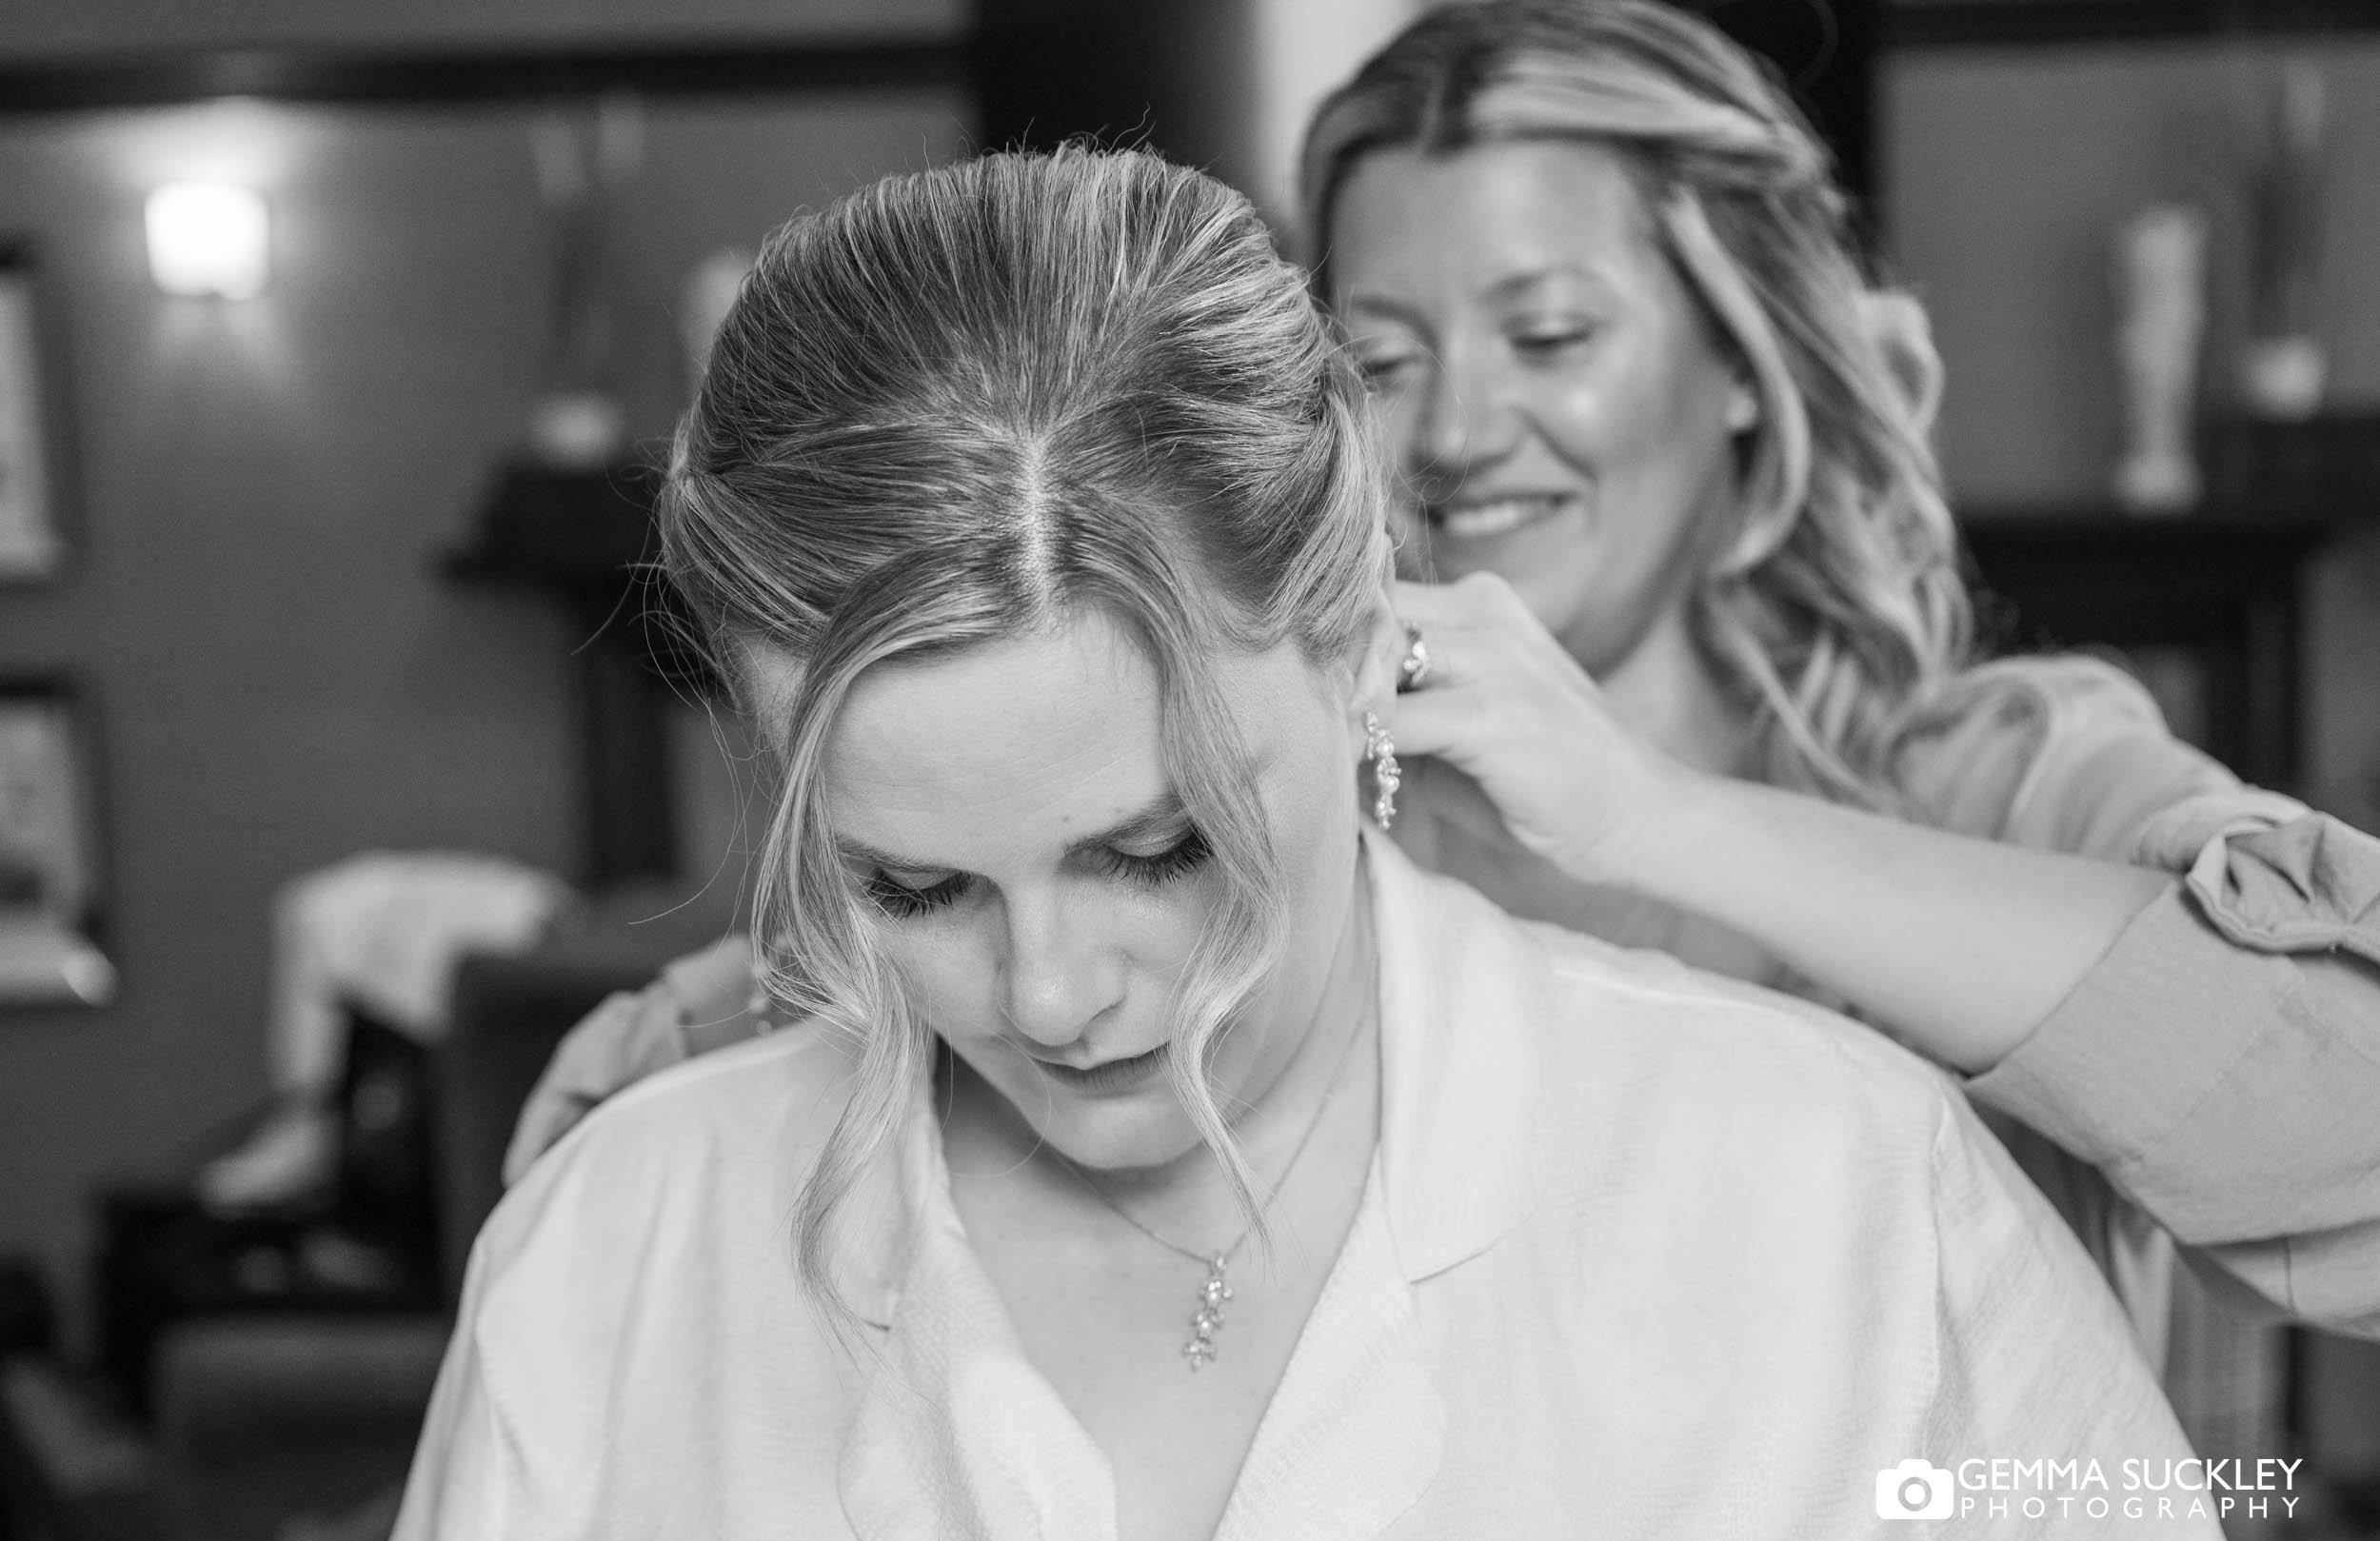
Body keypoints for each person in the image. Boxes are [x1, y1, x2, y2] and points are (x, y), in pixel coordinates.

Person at [383, 148, 2232, 1541]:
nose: (1046, 995)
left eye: (1155, 844)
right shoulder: (618, 1252)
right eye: (911, 890)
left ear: (1361, 653)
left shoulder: (1843, 1204)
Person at [508, 0, 2380, 1351]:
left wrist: (1658, 819)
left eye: (1548, 329)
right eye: (1381, 351)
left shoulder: (1990, 772)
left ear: (1738, 357)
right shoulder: (1266, 810)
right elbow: (715, 1082)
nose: (1464, 427)